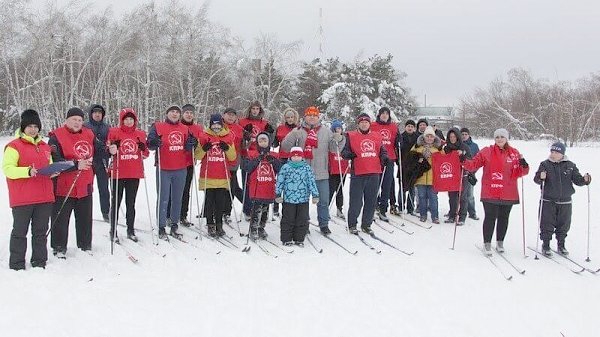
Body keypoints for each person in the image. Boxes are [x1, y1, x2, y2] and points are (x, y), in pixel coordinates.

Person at [462, 128, 529, 256]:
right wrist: (463, 160)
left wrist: (524, 165)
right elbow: (473, 165)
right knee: (490, 217)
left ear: (506, 138)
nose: (499, 139)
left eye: (502, 137)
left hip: (508, 192)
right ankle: (487, 243)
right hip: (490, 191)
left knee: (504, 218)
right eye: (497, 137)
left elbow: (520, 172)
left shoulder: (514, 153)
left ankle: (500, 242)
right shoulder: (487, 151)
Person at [3, 110, 55, 270]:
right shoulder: (13, 146)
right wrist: (26, 171)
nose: (32, 129)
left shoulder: (45, 146)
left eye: (35, 126)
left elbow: (49, 165)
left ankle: (39, 261)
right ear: (23, 127)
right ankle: (17, 263)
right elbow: (8, 169)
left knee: (40, 232)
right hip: (23, 197)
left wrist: (53, 172)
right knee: (20, 231)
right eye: (29, 126)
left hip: (44, 197)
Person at [280, 106, 341, 234]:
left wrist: (339, 139)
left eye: (315, 115)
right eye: (309, 115)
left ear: (318, 117)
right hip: (302, 174)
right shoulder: (298, 131)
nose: (312, 117)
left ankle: (324, 224)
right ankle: (303, 224)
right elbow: (285, 148)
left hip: (321, 172)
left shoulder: (326, 131)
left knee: (323, 201)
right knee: (303, 202)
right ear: (305, 117)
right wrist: (292, 134)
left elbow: (334, 149)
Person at [48, 107, 95, 257]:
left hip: (85, 183)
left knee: (85, 218)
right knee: (61, 218)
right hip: (64, 185)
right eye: (74, 119)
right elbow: (55, 161)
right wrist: (75, 165)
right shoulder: (56, 136)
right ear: (67, 120)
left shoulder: (88, 133)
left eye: (80, 120)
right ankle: (59, 246)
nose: (77, 122)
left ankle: (85, 245)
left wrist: (111, 149)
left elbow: (99, 150)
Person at [147, 105, 196, 240]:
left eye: (177, 112)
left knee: (177, 198)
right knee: (163, 198)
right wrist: (153, 142)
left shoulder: (185, 128)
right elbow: (149, 144)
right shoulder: (158, 126)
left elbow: (189, 145)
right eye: (172, 112)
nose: (174, 114)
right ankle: (161, 226)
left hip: (181, 168)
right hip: (164, 168)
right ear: (167, 114)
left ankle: (174, 224)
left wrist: (193, 143)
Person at [533, 142, 591, 256]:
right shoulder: (545, 164)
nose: (553, 154)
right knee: (546, 223)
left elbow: (577, 180)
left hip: (565, 201)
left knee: (564, 224)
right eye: (552, 152)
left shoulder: (570, 165)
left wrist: (585, 180)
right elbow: (536, 180)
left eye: (557, 152)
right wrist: (541, 177)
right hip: (548, 200)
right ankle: (546, 245)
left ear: (562, 153)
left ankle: (561, 244)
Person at [341, 113, 389, 234]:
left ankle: (366, 224)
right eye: (361, 122)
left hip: (374, 172)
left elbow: (382, 150)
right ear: (358, 124)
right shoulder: (350, 135)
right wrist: (348, 155)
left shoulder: (376, 136)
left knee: (371, 200)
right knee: (356, 201)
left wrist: (385, 158)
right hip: (359, 173)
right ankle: (352, 224)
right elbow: (344, 152)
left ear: (369, 124)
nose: (364, 124)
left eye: (366, 122)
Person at [107, 108, 149, 243]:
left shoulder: (140, 134)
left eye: (131, 119)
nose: (129, 122)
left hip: (133, 173)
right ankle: (113, 230)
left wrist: (143, 148)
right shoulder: (114, 132)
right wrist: (112, 148)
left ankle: (130, 229)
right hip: (118, 172)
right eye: (126, 119)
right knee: (116, 202)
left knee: (131, 203)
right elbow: (108, 150)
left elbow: (146, 154)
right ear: (122, 120)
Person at [195, 114, 237, 237]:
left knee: (220, 202)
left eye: (219, 125)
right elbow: (197, 156)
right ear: (210, 125)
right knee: (209, 201)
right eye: (214, 125)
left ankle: (219, 223)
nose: (216, 127)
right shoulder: (204, 136)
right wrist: (203, 149)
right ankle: (210, 223)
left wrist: (227, 148)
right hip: (208, 174)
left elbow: (233, 157)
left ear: (222, 125)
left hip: (222, 175)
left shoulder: (228, 136)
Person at [166, 104, 202, 226]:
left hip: (189, 163)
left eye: (191, 113)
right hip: (175, 163)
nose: (189, 115)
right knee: (172, 190)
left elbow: (200, 145)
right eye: (187, 112)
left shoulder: (197, 128)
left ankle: (182, 215)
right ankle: (169, 214)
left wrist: (196, 147)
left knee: (185, 190)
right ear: (183, 114)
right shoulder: (177, 126)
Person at [275, 147, 319, 246]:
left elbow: (311, 182)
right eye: (294, 156)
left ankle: (299, 238)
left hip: (303, 199)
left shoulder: (306, 168)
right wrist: (278, 194)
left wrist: (315, 194)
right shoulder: (285, 167)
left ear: (302, 157)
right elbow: (280, 182)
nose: (296, 158)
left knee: (302, 219)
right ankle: (286, 239)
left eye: (298, 156)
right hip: (289, 199)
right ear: (290, 157)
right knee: (288, 219)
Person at [238, 101, 274, 220]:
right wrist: (245, 133)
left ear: (260, 110)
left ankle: (260, 209)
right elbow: (239, 139)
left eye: (257, 109)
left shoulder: (264, 123)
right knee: (247, 183)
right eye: (253, 108)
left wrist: (270, 132)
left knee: (260, 183)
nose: (254, 111)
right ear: (249, 110)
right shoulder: (243, 122)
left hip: (261, 157)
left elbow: (270, 141)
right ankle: (247, 209)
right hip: (247, 155)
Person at [243, 132, 282, 239]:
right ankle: (253, 229)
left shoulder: (274, 155)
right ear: (257, 143)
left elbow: (280, 169)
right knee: (256, 210)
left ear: (268, 142)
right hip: (257, 187)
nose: (263, 142)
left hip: (268, 187)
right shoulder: (252, 154)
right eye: (260, 141)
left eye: (265, 140)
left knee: (265, 210)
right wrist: (257, 160)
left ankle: (261, 228)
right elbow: (247, 168)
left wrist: (273, 161)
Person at [370, 107, 399, 222]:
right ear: (379, 115)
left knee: (387, 184)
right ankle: (373, 206)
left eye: (387, 114)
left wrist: (399, 141)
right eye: (383, 113)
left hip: (389, 158)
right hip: (376, 158)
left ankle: (383, 209)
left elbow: (397, 139)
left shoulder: (393, 126)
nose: (384, 115)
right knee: (374, 184)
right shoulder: (373, 125)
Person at [409, 126, 442, 224]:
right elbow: (411, 158)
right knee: (421, 197)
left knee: (433, 197)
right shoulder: (418, 147)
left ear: (434, 138)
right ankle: (423, 215)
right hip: (420, 178)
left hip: (433, 178)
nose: (429, 138)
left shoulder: (438, 149)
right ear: (424, 137)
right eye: (427, 136)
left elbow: (443, 162)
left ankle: (435, 216)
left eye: (431, 136)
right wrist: (417, 160)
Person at [84, 104, 111, 221]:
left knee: (104, 188)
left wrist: (107, 150)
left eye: (99, 112)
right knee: (87, 187)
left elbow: (111, 141)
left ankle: (106, 212)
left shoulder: (107, 127)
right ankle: (85, 211)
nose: (97, 114)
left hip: (102, 160)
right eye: (95, 112)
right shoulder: (85, 126)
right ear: (91, 114)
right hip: (89, 160)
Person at [272, 107, 299, 218]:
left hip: (295, 160)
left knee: (291, 184)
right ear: (285, 118)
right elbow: (274, 144)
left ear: (295, 117)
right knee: (280, 183)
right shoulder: (280, 128)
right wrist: (272, 138)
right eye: (288, 117)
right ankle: (275, 207)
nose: (290, 119)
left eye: (292, 117)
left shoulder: (298, 128)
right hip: (282, 159)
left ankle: (288, 207)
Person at [442, 128, 471, 225]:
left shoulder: (465, 147)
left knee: (462, 197)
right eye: (450, 137)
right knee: (452, 196)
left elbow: (470, 160)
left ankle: (462, 217)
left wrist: (462, 154)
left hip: (463, 174)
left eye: (454, 136)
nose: (452, 138)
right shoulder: (447, 148)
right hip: (451, 176)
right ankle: (452, 215)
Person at [222, 107, 244, 223]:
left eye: (233, 115)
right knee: (218, 187)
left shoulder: (239, 129)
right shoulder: (218, 126)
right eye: (228, 114)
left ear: (236, 117)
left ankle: (226, 211)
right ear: (224, 115)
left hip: (234, 160)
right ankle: (211, 210)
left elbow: (245, 144)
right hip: (220, 160)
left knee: (231, 187)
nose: (230, 117)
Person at [328, 119, 348, 220]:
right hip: (332, 169)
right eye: (335, 129)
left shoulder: (344, 139)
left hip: (341, 168)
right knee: (331, 190)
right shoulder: (330, 140)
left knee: (340, 190)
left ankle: (339, 208)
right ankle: (326, 208)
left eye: (339, 128)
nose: (337, 130)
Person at [399, 119, 419, 215]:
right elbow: (398, 150)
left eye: (412, 126)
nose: (410, 128)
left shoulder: (417, 137)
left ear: (414, 128)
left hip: (414, 166)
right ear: (405, 127)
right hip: (403, 165)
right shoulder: (401, 137)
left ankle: (410, 208)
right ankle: (400, 206)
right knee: (402, 187)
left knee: (412, 188)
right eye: (408, 126)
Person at [461, 127, 480, 220]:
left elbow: (478, 160)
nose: (464, 136)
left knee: (469, 195)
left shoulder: (474, 146)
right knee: (458, 194)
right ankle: (457, 211)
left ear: (469, 135)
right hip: (459, 173)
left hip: (470, 173)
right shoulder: (458, 144)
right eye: (462, 134)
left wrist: (473, 171)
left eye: (466, 134)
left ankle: (472, 212)